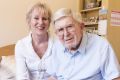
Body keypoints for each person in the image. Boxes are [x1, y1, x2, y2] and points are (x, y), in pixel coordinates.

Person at [49, 8, 120, 80]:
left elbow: (114, 78)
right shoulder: (56, 46)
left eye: (69, 27)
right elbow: (53, 76)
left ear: (81, 26)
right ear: (56, 33)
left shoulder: (101, 46)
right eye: (60, 30)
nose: (66, 34)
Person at [15, 2, 55, 80]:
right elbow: (21, 77)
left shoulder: (58, 43)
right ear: (29, 21)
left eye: (44, 18)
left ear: (49, 22)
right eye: (36, 18)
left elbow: (61, 72)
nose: (40, 22)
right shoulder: (21, 45)